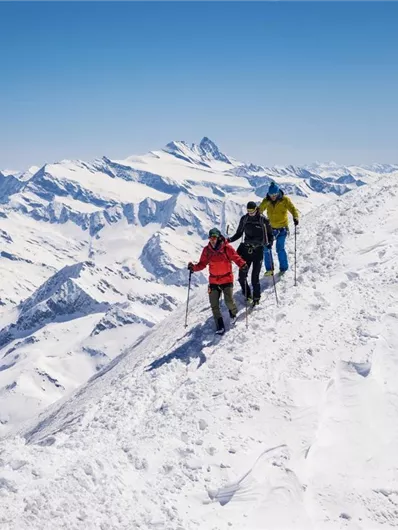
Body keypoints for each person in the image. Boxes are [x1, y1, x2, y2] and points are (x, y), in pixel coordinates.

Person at [188, 228, 247, 335]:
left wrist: (242, 264)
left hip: (226, 278)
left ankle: (233, 313)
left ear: (219, 237)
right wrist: (193, 268)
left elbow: (235, 257)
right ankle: (220, 326)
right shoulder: (207, 250)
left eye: (214, 237)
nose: (212, 240)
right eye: (210, 238)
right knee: (214, 304)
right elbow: (202, 264)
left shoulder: (226, 248)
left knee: (228, 301)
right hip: (214, 280)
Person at [227, 201, 273, 306]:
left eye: (252, 211)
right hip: (246, 250)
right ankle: (247, 294)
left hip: (258, 251)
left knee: (254, 277)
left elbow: (270, 235)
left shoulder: (263, 220)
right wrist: (229, 240)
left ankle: (256, 298)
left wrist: (270, 243)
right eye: (248, 211)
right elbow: (239, 233)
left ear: (256, 209)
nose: (250, 213)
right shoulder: (244, 219)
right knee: (242, 276)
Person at [258, 182, 299, 275]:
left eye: (275, 194)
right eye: (271, 194)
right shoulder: (266, 201)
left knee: (280, 248)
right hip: (270, 229)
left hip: (282, 229)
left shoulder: (284, 200)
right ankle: (269, 269)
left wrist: (295, 217)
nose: (273, 196)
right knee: (266, 248)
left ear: (278, 193)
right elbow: (260, 210)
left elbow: (293, 209)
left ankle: (283, 268)